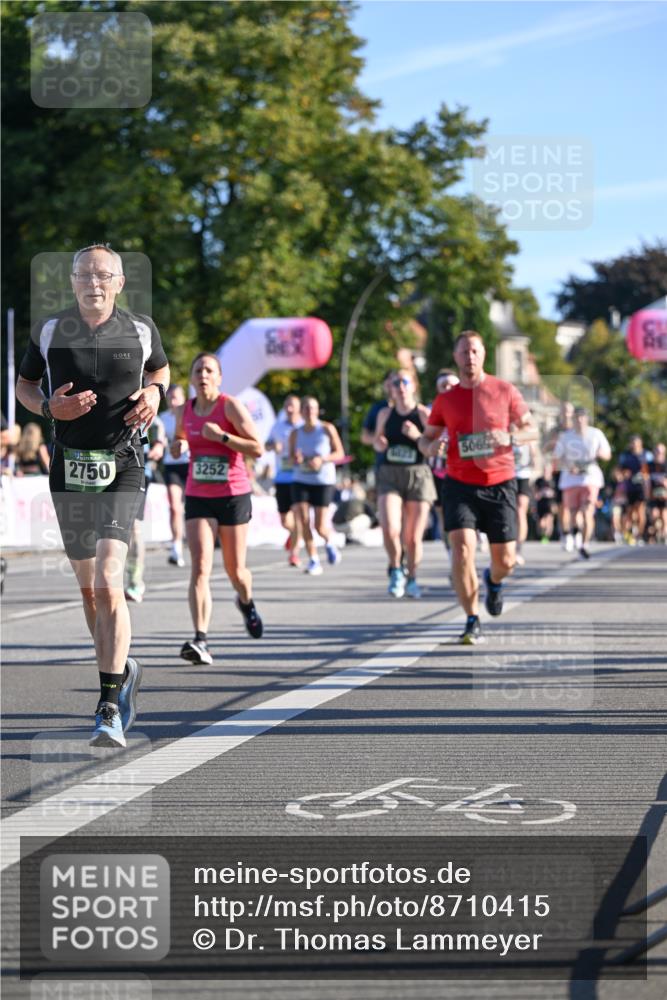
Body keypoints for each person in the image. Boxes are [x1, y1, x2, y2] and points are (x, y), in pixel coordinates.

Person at [16, 242, 170, 747]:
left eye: (103, 275)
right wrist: (46, 410)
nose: (93, 283)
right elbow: (24, 384)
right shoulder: (51, 330)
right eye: (84, 275)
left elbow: (161, 371)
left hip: (123, 464)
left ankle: (107, 704)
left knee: (109, 581)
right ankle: (122, 670)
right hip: (69, 466)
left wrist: (153, 393)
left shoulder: (142, 329)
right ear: (73, 281)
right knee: (88, 591)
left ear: (119, 283)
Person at [419, 331, 537, 645]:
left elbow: (532, 429)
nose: (469, 357)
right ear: (455, 357)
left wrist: (510, 438)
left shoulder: (504, 390)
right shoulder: (446, 399)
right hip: (459, 484)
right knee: (461, 551)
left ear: (483, 354)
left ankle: (493, 582)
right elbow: (426, 438)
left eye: (474, 351)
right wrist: (432, 448)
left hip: (500, 484)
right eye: (463, 352)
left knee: (506, 561)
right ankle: (472, 619)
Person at [171, 352, 264, 665]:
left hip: (233, 494)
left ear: (219, 377)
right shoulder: (185, 410)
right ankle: (200, 639)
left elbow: (258, 448)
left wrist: (223, 436)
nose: (203, 375)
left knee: (235, 571)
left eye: (209, 370)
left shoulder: (230, 406)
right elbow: (180, 438)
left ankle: (246, 602)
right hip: (198, 494)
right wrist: (178, 445)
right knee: (200, 568)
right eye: (198, 370)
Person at [374, 369, 436, 598]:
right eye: (395, 382)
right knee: (390, 528)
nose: (400, 386)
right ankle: (396, 569)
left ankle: (412, 577)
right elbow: (377, 441)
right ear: (390, 388)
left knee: (412, 537)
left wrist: (417, 436)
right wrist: (379, 444)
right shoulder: (384, 414)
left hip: (418, 475)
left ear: (413, 386)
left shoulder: (422, 414)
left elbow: (432, 447)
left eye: (404, 382)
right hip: (390, 474)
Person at [289, 396, 345, 576]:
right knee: (303, 520)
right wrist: (296, 459)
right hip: (301, 479)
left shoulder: (327, 429)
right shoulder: (295, 433)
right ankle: (314, 560)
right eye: (305, 408)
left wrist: (322, 459)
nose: (309, 411)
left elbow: (340, 453)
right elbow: (290, 458)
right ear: (301, 411)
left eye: (312, 408)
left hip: (322, 481)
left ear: (317, 410)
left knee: (320, 526)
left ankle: (329, 542)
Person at [552, 406, 612, 559]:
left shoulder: (596, 434)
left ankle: (584, 545)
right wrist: (568, 466)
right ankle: (576, 534)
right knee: (573, 513)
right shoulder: (566, 436)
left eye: (582, 417)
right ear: (573, 419)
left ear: (587, 419)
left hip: (590, 477)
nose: (579, 420)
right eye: (576, 417)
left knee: (587, 512)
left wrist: (599, 453)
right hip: (571, 479)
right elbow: (557, 458)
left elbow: (607, 454)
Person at [125, 416, 166, 603]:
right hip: (105, 467)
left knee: (133, 526)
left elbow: (156, 424)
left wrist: (158, 444)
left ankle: (135, 581)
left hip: (138, 470)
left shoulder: (139, 395)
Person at [265, 393, 304, 567]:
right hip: (282, 477)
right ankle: (295, 534)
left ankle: (294, 554)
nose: (289, 409)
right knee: (285, 520)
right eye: (286, 405)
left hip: (300, 477)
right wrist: (274, 446)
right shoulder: (277, 426)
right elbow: (266, 445)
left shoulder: (304, 426)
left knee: (298, 516)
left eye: (292, 406)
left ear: (299, 409)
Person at [160, 384, 190, 567]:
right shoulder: (162, 418)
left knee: (192, 507)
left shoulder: (190, 416)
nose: (173, 401)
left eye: (176, 397)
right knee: (174, 506)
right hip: (172, 465)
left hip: (190, 463)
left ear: (183, 399)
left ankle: (194, 540)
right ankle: (176, 546)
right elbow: (158, 437)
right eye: (170, 398)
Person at [618, 434, 650, 544]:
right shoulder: (626, 456)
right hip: (630, 488)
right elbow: (621, 471)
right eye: (633, 443)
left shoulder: (647, 455)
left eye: (637, 443)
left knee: (641, 511)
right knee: (630, 513)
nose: (635, 446)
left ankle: (640, 536)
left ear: (641, 443)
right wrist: (623, 475)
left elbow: (651, 470)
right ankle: (628, 534)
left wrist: (646, 479)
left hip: (642, 487)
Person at [647, 442, 666, 544]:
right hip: (653, 494)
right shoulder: (649, 465)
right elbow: (645, 480)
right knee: (654, 515)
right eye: (657, 451)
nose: (659, 453)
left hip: (664, 494)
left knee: (664, 515)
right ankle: (657, 532)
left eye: (661, 452)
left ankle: (663, 535)